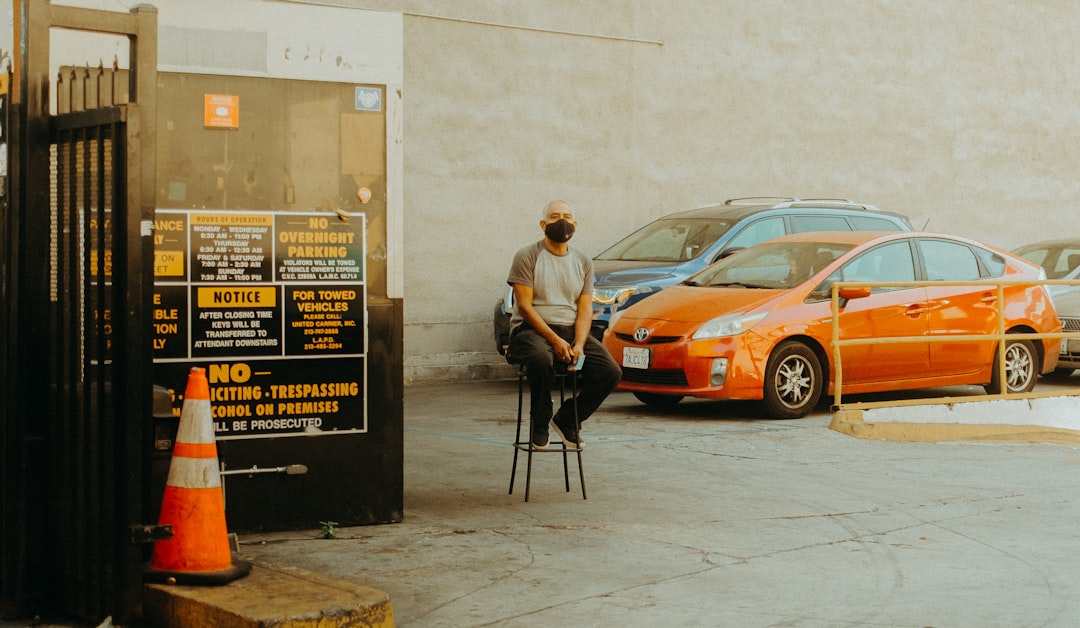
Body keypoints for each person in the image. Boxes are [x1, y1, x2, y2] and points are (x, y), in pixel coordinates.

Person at [506, 200, 622, 450]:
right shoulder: (527, 255)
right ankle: (540, 421)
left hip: (570, 330)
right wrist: (555, 340)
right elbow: (525, 307)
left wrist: (579, 344)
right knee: (541, 360)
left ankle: (568, 419)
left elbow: (584, 309)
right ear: (543, 224)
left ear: (575, 224)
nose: (562, 221)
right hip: (531, 330)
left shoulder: (583, 261)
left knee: (610, 372)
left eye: (567, 216)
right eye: (555, 216)